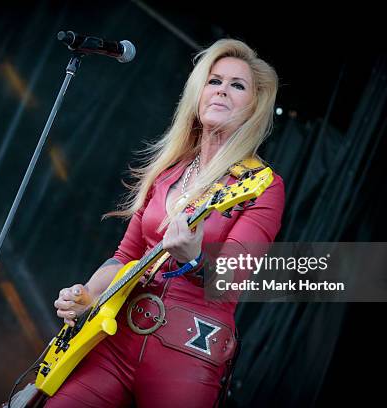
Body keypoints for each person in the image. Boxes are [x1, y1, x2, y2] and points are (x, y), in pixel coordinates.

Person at [48, 39, 284, 407]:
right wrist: (89, 295)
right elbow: (125, 254)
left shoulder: (262, 186)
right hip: (116, 339)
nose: (222, 89)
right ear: (198, 92)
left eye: (237, 85)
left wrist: (194, 259)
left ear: (255, 106)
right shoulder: (168, 174)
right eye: (214, 80)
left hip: (187, 355)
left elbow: (232, 279)